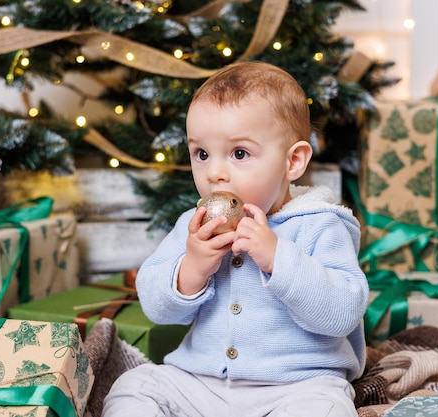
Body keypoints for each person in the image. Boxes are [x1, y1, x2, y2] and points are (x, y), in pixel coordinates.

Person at [103, 61, 368, 417]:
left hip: (296, 387)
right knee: (133, 388)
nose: (214, 172)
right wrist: (191, 269)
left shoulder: (320, 224)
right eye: (201, 153)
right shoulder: (193, 226)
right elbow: (156, 307)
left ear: (293, 162)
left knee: (327, 410)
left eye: (239, 153)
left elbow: (342, 313)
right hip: (200, 382)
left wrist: (278, 258)